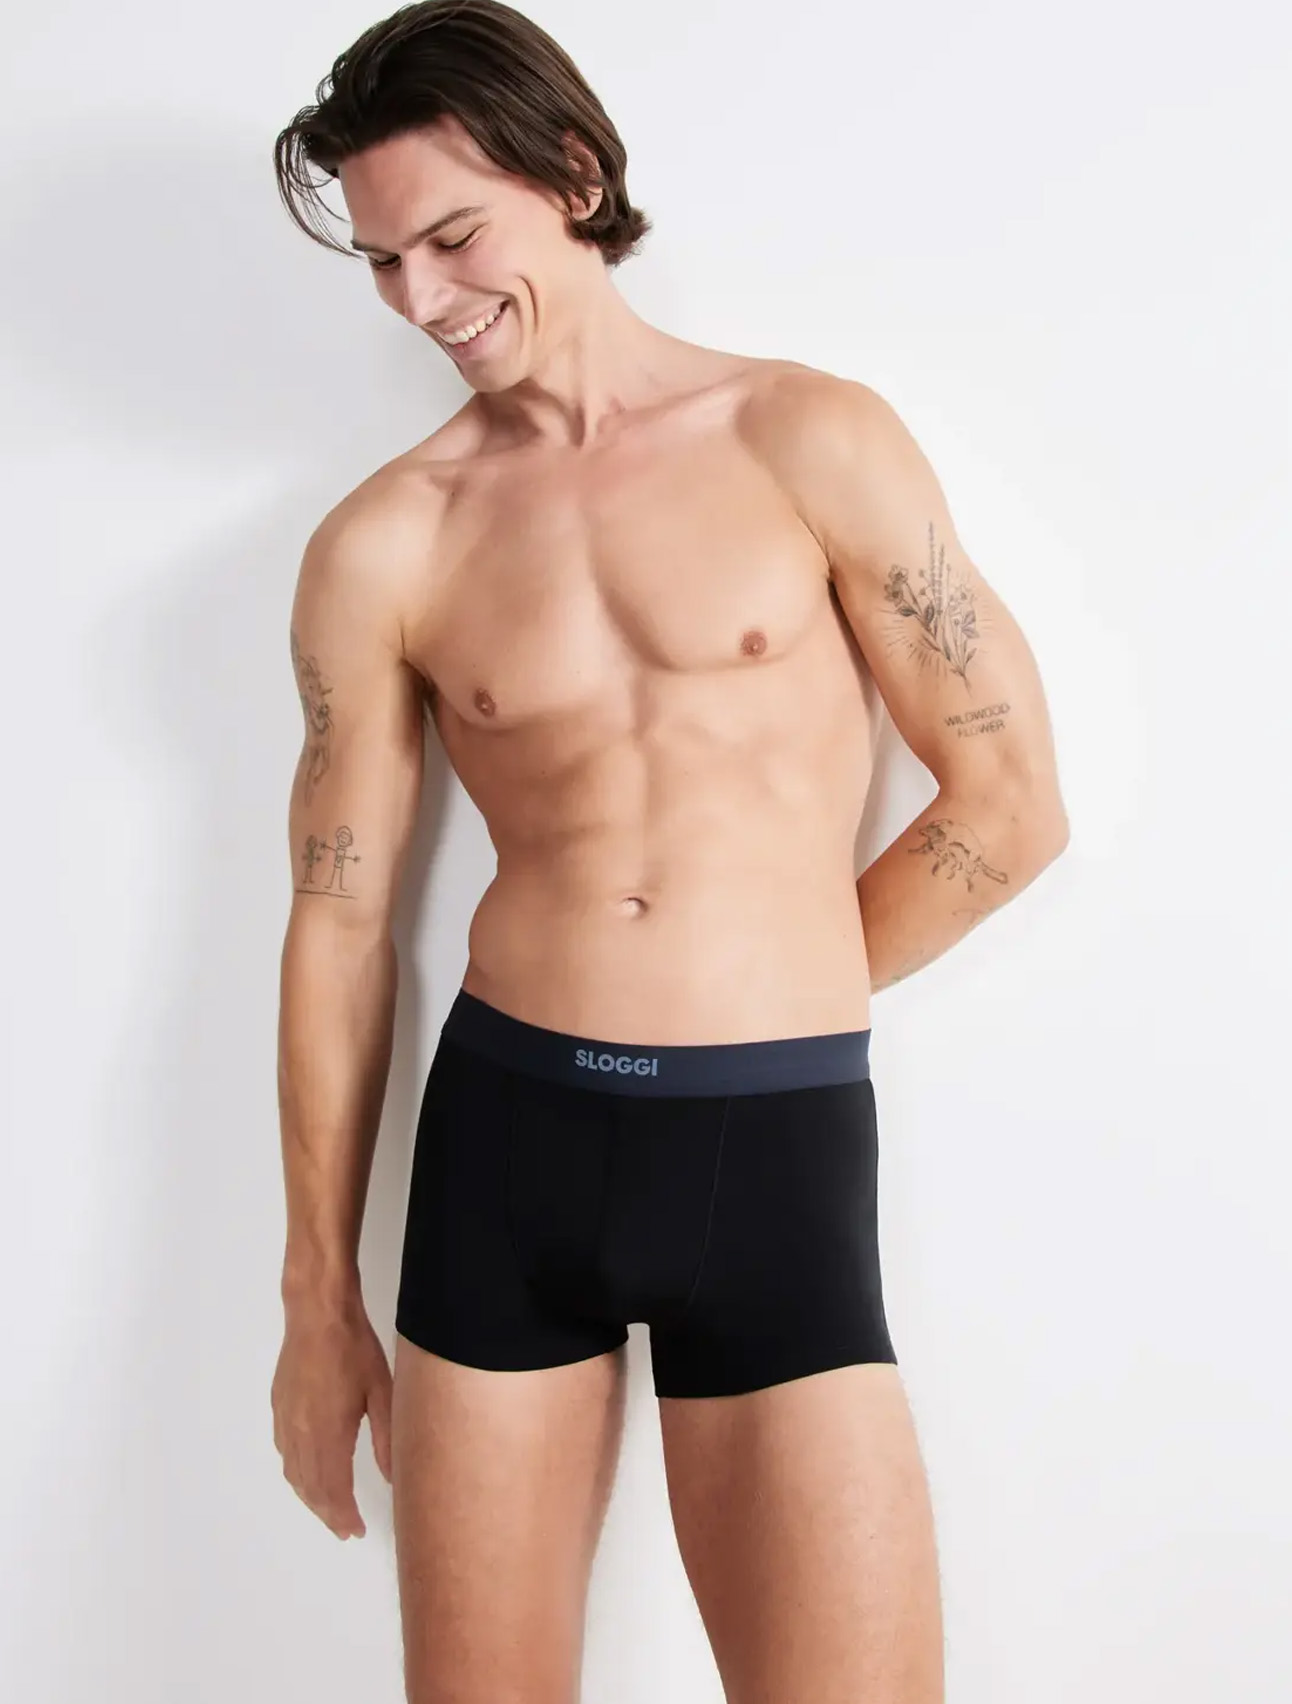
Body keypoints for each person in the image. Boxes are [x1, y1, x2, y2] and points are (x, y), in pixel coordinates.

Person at [268, 2, 1069, 1699]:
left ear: (573, 175)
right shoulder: (386, 540)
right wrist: (314, 1298)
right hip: (506, 1151)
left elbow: (1008, 802)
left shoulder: (805, 438)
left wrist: (771, 985)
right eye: (384, 261)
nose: (421, 299)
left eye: (452, 237)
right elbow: (337, 924)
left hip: (768, 1147)